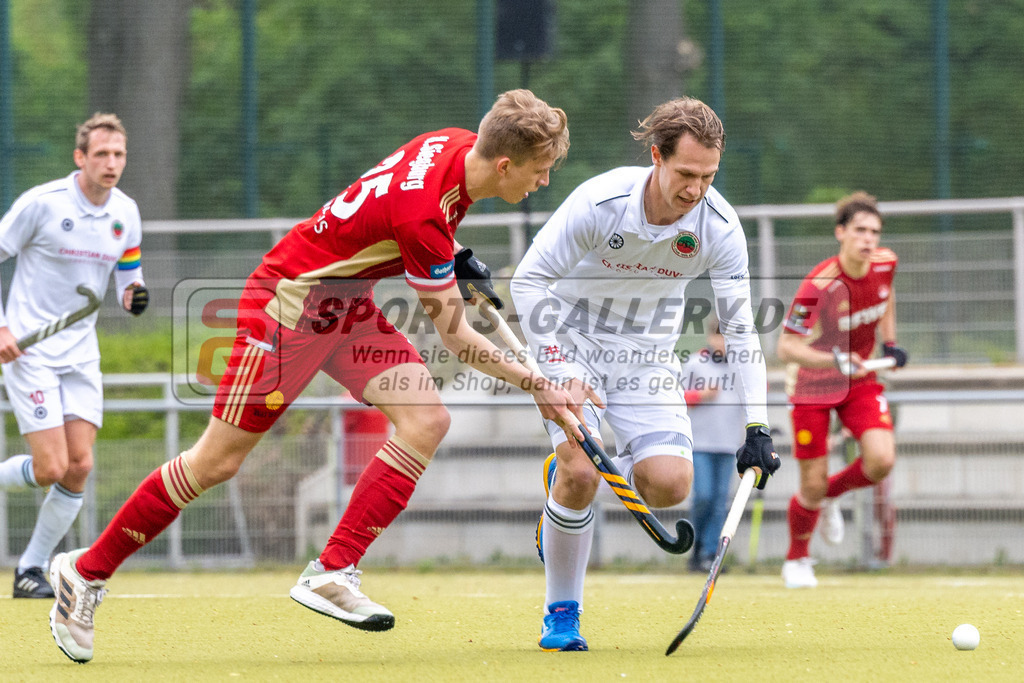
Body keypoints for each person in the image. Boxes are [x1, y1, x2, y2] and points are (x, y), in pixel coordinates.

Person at [46, 89, 594, 664]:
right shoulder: (425, 215)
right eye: (540, 171)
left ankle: (332, 570)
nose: (543, 182)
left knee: (426, 420)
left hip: (346, 305)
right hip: (286, 308)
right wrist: (537, 385)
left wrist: (456, 254)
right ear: (505, 163)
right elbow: (457, 337)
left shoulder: (455, 144)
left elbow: (391, 213)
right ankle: (84, 572)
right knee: (216, 462)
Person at [509, 97, 780, 652]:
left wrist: (758, 427)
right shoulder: (600, 202)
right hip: (572, 339)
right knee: (581, 472)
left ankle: (563, 493)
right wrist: (556, 370)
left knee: (668, 486)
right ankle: (562, 612)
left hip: (648, 355)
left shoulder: (720, 226)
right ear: (656, 157)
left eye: (708, 176)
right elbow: (528, 282)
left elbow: (742, 329)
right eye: (685, 174)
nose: (696, 189)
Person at [0, 113, 148, 600]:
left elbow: (130, 275)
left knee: (79, 465)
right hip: (31, 350)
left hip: (82, 355)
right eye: (101, 154)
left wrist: (135, 294)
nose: (111, 163)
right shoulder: (42, 205)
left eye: (119, 154)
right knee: (50, 468)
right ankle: (33, 566)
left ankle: (31, 570)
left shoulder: (125, 212)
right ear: (80, 158)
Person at [776, 191, 908, 589]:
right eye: (860, 231)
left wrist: (890, 342)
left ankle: (830, 495)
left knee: (881, 460)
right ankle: (797, 559)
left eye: (874, 231)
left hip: (862, 380)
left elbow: (887, 296)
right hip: (813, 386)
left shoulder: (885, 263)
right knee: (811, 482)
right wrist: (834, 360)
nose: (868, 239)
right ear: (841, 233)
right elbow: (786, 347)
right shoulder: (819, 284)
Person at [680, 322, 747, 573]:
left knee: (720, 502)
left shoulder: (740, 366)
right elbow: (677, 397)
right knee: (703, 497)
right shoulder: (696, 363)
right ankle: (695, 546)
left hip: (728, 444)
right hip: (700, 443)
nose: (722, 342)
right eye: (718, 336)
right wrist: (700, 395)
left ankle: (710, 553)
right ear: (710, 337)